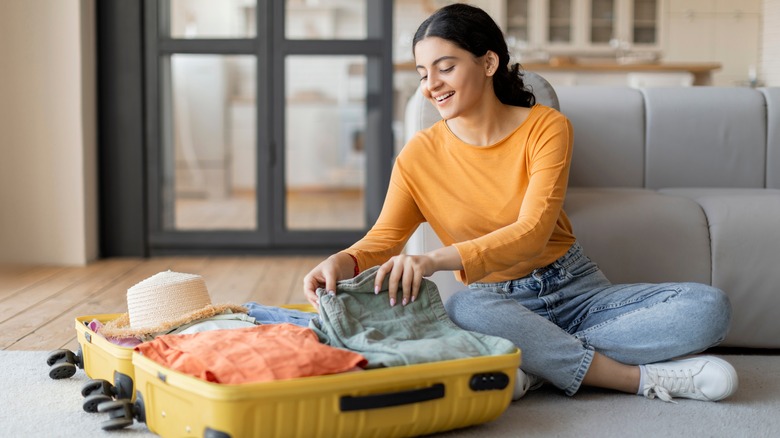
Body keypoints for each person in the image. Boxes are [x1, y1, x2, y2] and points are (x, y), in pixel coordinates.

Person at [303, 3, 737, 403]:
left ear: (488, 62)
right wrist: (340, 263)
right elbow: (383, 239)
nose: (430, 85)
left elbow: (532, 233)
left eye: (445, 67)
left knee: (708, 308)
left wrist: (432, 260)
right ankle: (636, 379)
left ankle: (531, 359)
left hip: (577, 292)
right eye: (422, 73)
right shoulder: (419, 155)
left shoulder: (546, 128)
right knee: (464, 307)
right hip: (497, 302)